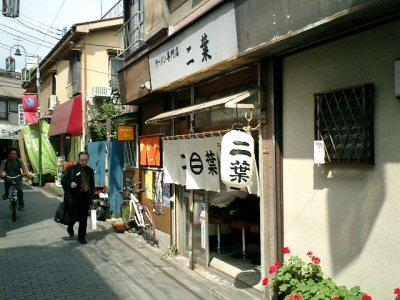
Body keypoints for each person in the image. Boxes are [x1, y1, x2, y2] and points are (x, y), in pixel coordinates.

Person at [61, 151, 95, 244]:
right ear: (78, 159)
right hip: (74, 198)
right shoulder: (72, 169)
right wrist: (70, 183)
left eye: (86, 160)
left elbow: (92, 185)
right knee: (73, 217)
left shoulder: (90, 171)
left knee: (83, 219)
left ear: (88, 159)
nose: (84, 162)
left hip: (85, 198)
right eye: (82, 160)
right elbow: (63, 180)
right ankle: (70, 226)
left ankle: (81, 237)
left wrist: (92, 198)